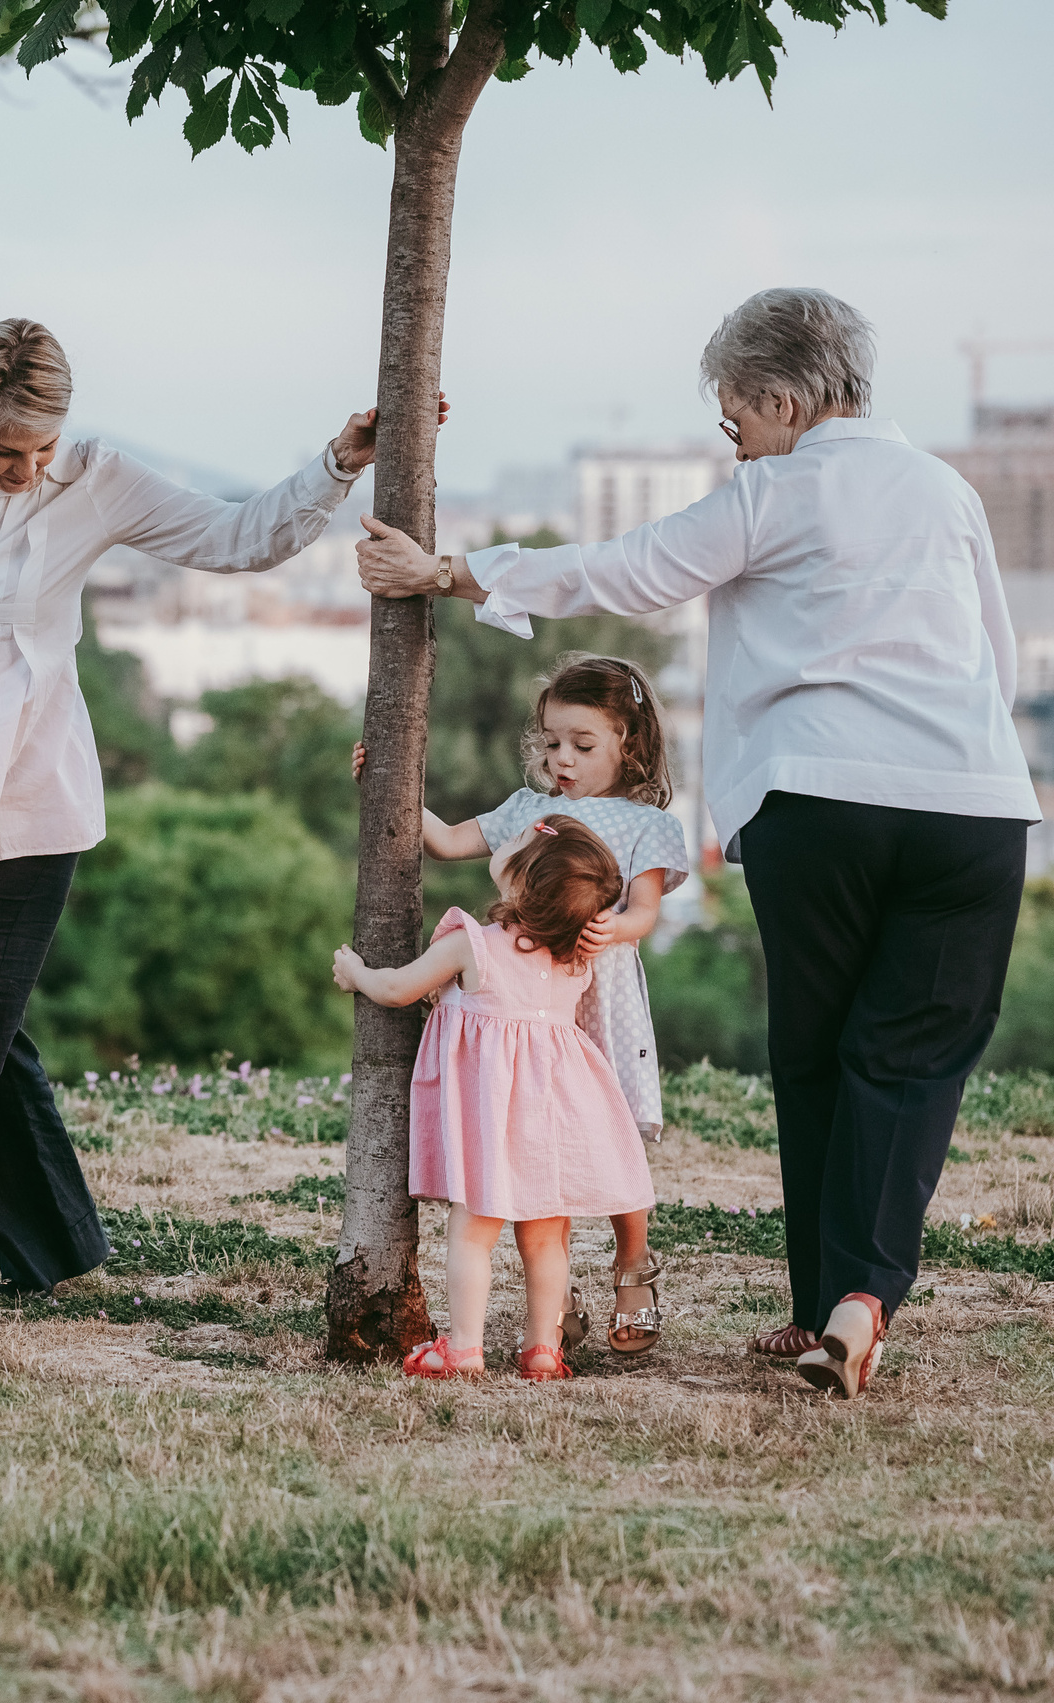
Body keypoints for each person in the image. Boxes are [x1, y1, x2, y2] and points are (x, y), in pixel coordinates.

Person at [357, 287, 1037, 1398]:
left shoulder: (771, 490)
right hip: (972, 803)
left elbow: (622, 570)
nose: (736, 440)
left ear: (778, 397)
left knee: (817, 1045)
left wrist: (451, 572)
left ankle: (828, 1301)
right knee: (912, 1057)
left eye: (734, 420)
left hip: (817, 798)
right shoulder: (946, 488)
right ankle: (856, 1301)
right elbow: (995, 666)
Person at [0, 315, 445, 1326]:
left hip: (25, 805)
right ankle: (53, 1238)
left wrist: (336, 462)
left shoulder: (91, 479)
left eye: (39, 446)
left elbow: (237, 537)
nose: (24, 467)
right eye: (3, 448)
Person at [353, 653, 688, 1355]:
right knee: (540, 1138)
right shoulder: (527, 809)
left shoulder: (643, 824)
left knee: (613, 1134)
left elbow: (646, 910)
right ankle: (555, 1290)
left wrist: (614, 926)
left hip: (601, 990)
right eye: (552, 743)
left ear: (631, 741)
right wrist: (384, 783)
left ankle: (633, 1264)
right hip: (531, 996)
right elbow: (444, 841)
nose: (562, 759)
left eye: (583, 744)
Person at [332, 818, 654, 1381]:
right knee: (547, 1240)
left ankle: (464, 1348)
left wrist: (356, 972)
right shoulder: (575, 959)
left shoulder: (472, 944)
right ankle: (542, 1349)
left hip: (489, 1125)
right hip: (553, 1122)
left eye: (517, 846)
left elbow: (397, 989)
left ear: (520, 880)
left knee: (472, 1234)